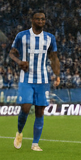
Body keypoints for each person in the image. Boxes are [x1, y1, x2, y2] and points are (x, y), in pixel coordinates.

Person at [8, 10, 60, 152]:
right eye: (38, 19)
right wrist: (19, 62)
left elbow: (54, 58)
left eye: (43, 19)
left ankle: (35, 143)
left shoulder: (50, 38)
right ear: (32, 20)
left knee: (40, 111)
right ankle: (19, 132)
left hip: (42, 79)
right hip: (26, 78)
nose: (41, 21)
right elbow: (11, 53)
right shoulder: (22, 36)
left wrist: (57, 75)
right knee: (25, 107)